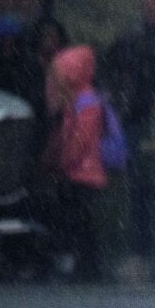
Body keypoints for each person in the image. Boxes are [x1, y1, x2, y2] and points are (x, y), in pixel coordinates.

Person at [102, 0, 155, 264]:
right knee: (138, 184)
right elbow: (111, 67)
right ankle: (141, 246)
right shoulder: (129, 32)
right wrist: (118, 97)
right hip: (135, 116)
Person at [42, 46, 107, 281]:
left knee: (80, 220)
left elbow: (80, 140)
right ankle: (85, 264)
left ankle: (88, 265)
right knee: (79, 220)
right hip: (79, 171)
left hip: (84, 172)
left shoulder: (85, 102)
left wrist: (63, 162)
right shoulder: (78, 99)